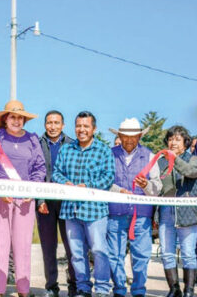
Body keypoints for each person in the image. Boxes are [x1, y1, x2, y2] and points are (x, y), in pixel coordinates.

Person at [0, 100, 46, 297]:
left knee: (23, 245)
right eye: (13, 116)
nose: (16, 120)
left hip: (25, 199)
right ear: (5, 119)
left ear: (24, 120)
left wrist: (31, 190)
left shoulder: (33, 139)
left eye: (20, 117)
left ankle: (23, 290)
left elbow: (39, 167)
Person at [52, 111, 115, 297]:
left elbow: (109, 177)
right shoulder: (66, 149)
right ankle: (83, 288)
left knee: (99, 250)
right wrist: (65, 183)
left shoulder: (103, 150)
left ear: (94, 129)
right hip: (71, 210)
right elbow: (56, 173)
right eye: (78, 126)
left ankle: (103, 289)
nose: (81, 130)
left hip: (95, 210)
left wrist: (88, 187)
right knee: (76, 253)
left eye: (86, 126)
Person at [107, 118, 162, 297]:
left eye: (134, 136)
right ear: (119, 136)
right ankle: (119, 290)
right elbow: (103, 181)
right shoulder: (109, 154)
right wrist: (118, 190)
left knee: (141, 255)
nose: (129, 140)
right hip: (115, 213)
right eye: (125, 136)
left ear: (139, 136)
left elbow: (157, 187)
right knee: (115, 255)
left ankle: (138, 291)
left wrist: (146, 185)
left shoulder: (149, 155)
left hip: (141, 215)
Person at [37, 110, 76, 297]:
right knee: (48, 247)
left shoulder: (72, 144)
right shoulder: (37, 144)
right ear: (45, 124)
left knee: (72, 247)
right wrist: (40, 200)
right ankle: (51, 286)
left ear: (63, 125)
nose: (53, 126)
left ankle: (74, 284)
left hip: (67, 203)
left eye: (56, 123)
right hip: (45, 203)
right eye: (49, 122)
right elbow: (35, 174)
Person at [157, 126, 197, 297]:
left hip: (187, 213)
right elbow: (159, 188)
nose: (173, 142)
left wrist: (174, 159)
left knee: (188, 253)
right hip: (166, 212)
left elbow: (191, 172)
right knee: (166, 252)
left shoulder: (193, 159)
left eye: (178, 139)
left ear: (186, 143)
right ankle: (174, 289)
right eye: (171, 139)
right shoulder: (161, 162)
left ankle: (189, 290)